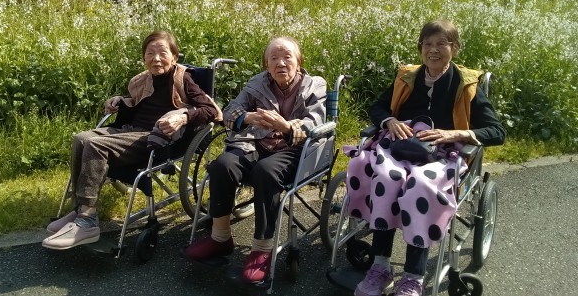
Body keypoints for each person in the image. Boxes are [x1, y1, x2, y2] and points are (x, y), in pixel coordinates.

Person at [348, 20, 505, 296]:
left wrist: (456, 133)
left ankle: (413, 277)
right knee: (386, 178)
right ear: (420, 48)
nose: (433, 50)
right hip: (401, 147)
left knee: (420, 185)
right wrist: (389, 121)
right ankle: (381, 266)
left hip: (443, 154)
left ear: (455, 48)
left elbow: (497, 131)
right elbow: (378, 107)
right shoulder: (407, 78)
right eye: (427, 44)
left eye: (441, 44)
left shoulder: (466, 85)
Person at [42, 31, 220, 250]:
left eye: (163, 53)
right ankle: (80, 209)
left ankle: (87, 220)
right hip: (131, 130)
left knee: (95, 145)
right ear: (144, 57)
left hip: (155, 138)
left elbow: (211, 110)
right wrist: (119, 101)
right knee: (81, 139)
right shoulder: (143, 79)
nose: (156, 59)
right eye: (150, 53)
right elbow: (137, 102)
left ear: (174, 57)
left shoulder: (183, 78)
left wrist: (183, 117)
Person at [184, 37, 327, 284]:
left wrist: (286, 127)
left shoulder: (315, 85)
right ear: (266, 64)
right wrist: (247, 118)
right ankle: (220, 238)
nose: (281, 63)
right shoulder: (257, 83)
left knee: (265, 171)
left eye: (287, 57)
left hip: (295, 149)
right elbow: (230, 112)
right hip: (254, 143)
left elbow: (316, 123)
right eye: (274, 58)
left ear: (299, 61)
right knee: (222, 166)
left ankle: (262, 249)